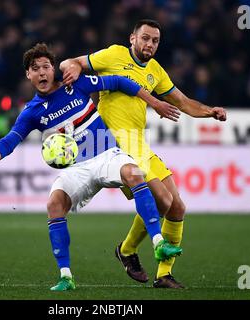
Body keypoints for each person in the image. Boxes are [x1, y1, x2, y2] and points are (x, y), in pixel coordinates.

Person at [0, 43, 182, 291]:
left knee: (133, 172)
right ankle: (66, 276)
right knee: (54, 204)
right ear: (28, 75)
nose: (42, 72)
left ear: (53, 68)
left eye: (46, 66)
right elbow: (10, 140)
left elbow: (120, 82)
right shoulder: (31, 112)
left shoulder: (75, 84)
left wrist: (154, 102)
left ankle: (158, 242)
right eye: (35, 69)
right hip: (76, 169)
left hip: (106, 154)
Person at [60, 19, 227, 288]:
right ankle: (126, 250)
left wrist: (209, 111)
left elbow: (183, 102)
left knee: (177, 206)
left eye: (155, 40)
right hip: (114, 143)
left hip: (139, 143)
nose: (150, 44)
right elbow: (75, 62)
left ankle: (164, 275)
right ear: (133, 38)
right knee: (161, 199)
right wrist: (69, 66)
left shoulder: (155, 71)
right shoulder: (114, 54)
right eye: (145, 38)